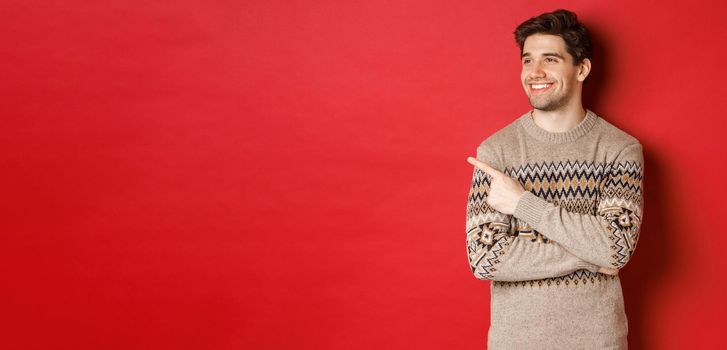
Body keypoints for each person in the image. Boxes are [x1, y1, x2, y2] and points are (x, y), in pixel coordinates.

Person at [464, 9, 644, 349]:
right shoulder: (496, 152)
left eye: (550, 59)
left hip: (597, 341)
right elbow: (485, 258)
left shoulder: (620, 150)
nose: (535, 73)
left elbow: (615, 249)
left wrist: (522, 203)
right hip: (515, 342)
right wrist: (591, 253)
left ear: (582, 69)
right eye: (527, 60)